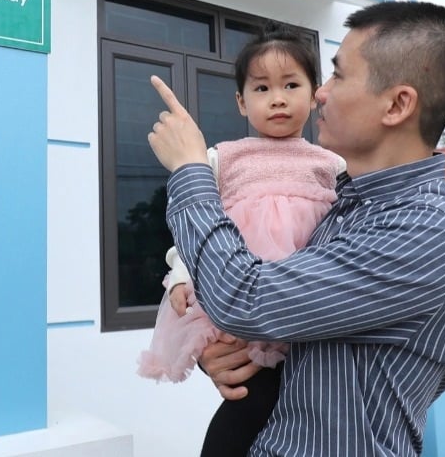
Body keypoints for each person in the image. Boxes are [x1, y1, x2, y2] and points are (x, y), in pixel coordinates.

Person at [147, 0, 445, 456]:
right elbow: (268, 314)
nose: (320, 92)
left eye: (338, 75)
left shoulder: (428, 229)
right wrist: (224, 353)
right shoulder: (344, 204)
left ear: (397, 104)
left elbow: (248, 298)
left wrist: (190, 168)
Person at [136, 29, 344, 454]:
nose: (278, 98)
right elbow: (193, 223)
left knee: (290, 400)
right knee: (246, 399)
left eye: (291, 85)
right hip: (236, 296)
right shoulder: (221, 156)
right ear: (241, 102)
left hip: (303, 303)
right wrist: (177, 276)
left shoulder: (332, 163)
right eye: (262, 88)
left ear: (314, 93)